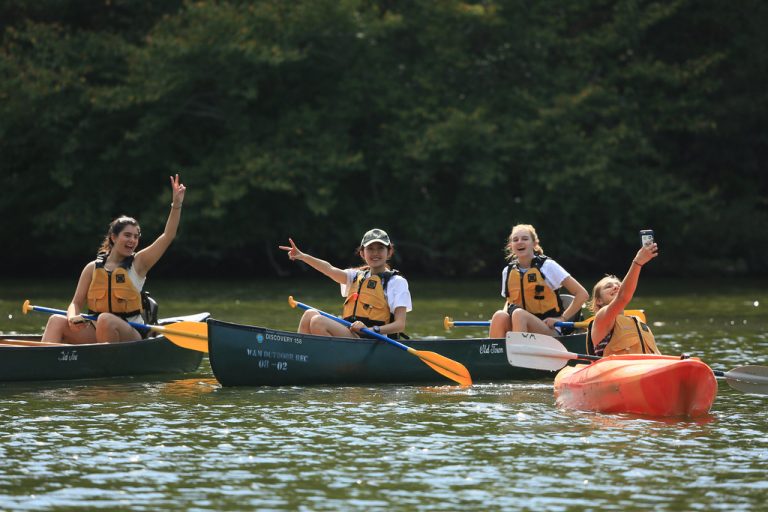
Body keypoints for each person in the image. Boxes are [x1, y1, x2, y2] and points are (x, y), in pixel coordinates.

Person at [41, 175, 186, 344]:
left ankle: (105, 364)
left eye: (136, 236)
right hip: (98, 329)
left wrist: (176, 205)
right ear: (113, 237)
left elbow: (168, 236)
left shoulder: (139, 264)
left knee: (105, 319)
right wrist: (73, 317)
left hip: (131, 333)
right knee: (56, 320)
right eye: (127, 235)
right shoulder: (92, 268)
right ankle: (43, 362)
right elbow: (76, 302)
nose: (132, 240)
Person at [279, 228, 412, 339]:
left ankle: (321, 361)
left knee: (318, 321)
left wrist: (372, 329)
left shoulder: (396, 282)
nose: (375, 253)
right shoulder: (355, 276)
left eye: (380, 248)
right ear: (362, 253)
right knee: (309, 314)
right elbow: (329, 269)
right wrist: (302, 256)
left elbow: (400, 325)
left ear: (389, 252)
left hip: (374, 339)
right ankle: (302, 355)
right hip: (351, 335)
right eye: (370, 249)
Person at [488, 224, 588, 338]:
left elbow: (582, 294)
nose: (520, 242)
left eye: (525, 239)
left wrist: (562, 318)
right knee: (499, 315)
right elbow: (509, 302)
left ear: (534, 244)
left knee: (519, 314)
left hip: (548, 329)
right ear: (511, 246)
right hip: (519, 325)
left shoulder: (548, 266)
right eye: (515, 240)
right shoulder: (507, 271)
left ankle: (518, 351)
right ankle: (493, 353)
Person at [586, 241, 661, 357]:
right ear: (599, 301)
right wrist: (638, 262)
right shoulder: (602, 318)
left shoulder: (638, 322)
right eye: (608, 286)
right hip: (615, 371)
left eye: (618, 285)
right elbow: (622, 297)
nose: (616, 287)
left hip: (648, 367)